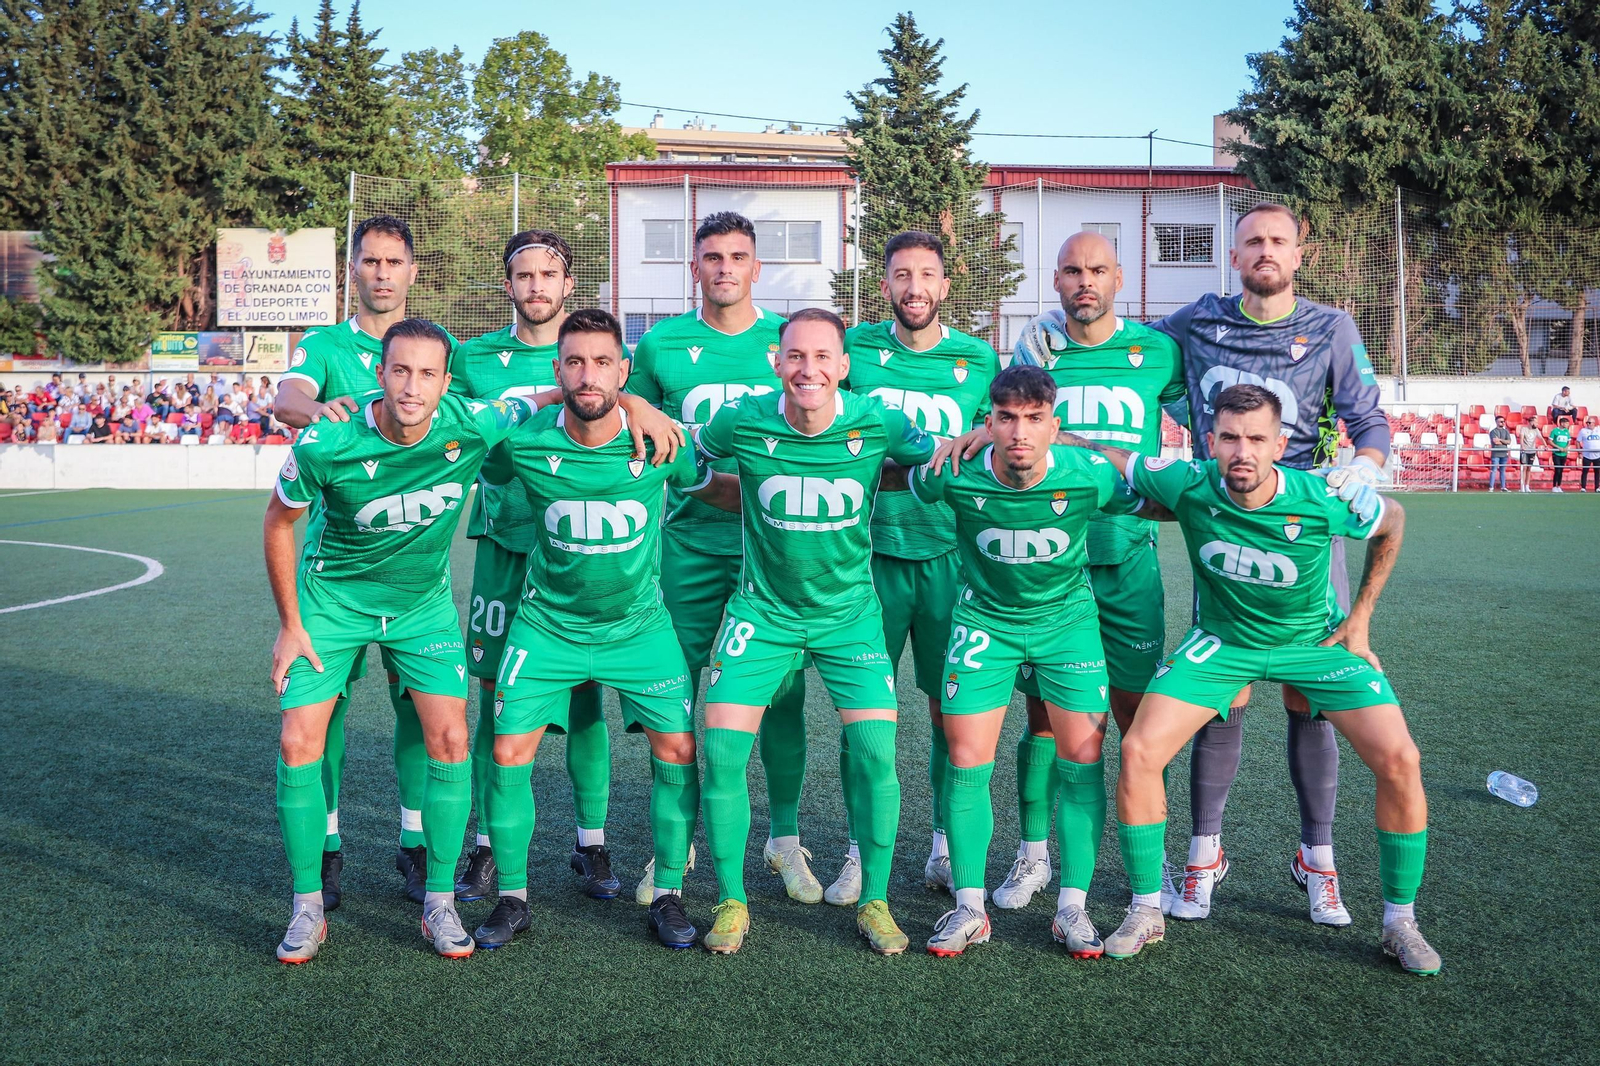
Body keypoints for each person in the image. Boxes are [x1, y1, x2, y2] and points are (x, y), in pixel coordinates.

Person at [1019, 201, 1391, 927]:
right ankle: (1203, 854)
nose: (1265, 251)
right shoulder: (1197, 321)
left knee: (1310, 694)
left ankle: (1317, 856)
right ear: (1234, 252)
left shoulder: (1331, 328)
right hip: (1219, 520)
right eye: (1252, 240)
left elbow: (1368, 419)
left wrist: (1365, 465)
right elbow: (1118, 337)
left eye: (1278, 241)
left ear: (1298, 253)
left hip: (1303, 528)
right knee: (1223, 692)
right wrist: (1052, 329)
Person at [1080, 384, 1437, 976]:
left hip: (1313, 648)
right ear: (1210, 441)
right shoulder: (1188, 481)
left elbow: (1393, 519)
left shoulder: (1319, 496)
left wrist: (1361, 619)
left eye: (1255, 439)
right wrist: (1018, 431)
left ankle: (1400, 922)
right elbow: (1111, 455)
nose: (1241, 451)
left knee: (1401, 758)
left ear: (1281, 444)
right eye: (1228, 438)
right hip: (1222, 645)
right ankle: (1147, 907)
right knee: (1139, 750)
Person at [264, 317, 537, 963]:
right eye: (400, 370)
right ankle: (307, 906)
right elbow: (279, 524)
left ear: (447, 382)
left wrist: (634, 400)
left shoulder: (473, 422)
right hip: (333, 603)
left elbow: (546, 396)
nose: (412, 387)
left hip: (422, 609)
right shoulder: (327, 440)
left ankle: (438, 902)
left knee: (450, 737)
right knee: (298, 737)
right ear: (379, 373)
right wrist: (290, 623)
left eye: (427, 373)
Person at [473, 309, 739, 951]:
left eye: (601, 363)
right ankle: (512, 896)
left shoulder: (663, 444)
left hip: (639, 629)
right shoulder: (524, 444)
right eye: (573, 362)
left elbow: (717, 491)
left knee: (677, 751)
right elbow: (463, 439)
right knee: (509, 752)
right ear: (556, 370)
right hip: (546, 627)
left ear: (624, 372)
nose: (586, 375)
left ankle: (670, 893)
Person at [449, 229, 682, 905]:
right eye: (523, 276)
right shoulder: (475, 357)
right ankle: (490, 849)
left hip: (591, 559)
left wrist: (634, 404)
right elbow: (467, 429)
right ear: (508, 286)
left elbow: (622, 409)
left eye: (548, 274)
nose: (536, 287)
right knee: (499, 700)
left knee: (588, 704)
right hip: (507, 546)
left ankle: (591, 844)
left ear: (566, 283)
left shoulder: (604, 360)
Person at [695, 307, 936, 956]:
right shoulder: (741, 418)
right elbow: (687, 446)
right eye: (796, 356)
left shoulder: (877, 418)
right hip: (761, 614)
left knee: (876, 754)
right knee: (720, 753)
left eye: (823, 357)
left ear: (844, 366)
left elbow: (935, 455)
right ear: (776, 362)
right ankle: (730, 902)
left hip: (849, 616)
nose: (809, 369)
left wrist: (971, 446)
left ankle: (876, 901)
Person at [965, 230, 1188, 911]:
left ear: (1119, 277)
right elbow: (1005, 421)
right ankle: (1034, 854)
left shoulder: (1156, 352)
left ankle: (1153, 860)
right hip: (1046, 568)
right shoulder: (1036, 349)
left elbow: (1200, 423)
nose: (1084, 281)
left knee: (1133, 721)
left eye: (1096, 269)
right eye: (1070, 270)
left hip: (1123, 561)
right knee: (1041, 718)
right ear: (1055, 280)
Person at [907, 365, 1141, 958]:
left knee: (1083, 759)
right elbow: (897, 473)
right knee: (966, 758)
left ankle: (1072, 909)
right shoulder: (953, 474)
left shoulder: (1089, 476)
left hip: (1068, 626)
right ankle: (969, 908)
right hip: (984, 623)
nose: (1020, 432)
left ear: (1054, 425)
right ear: (988, 421)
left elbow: (1163, 493)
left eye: (1034, 419)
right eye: (1006, 418)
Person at [627, 212, 817, 906]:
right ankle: (672, 850)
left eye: (739, 256)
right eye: (712, 256)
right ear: (695, 268)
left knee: (785, 700)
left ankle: (785, 839)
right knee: (673, 701)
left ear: (757, 267)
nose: (725, 268)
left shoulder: (786, 342)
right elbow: (629, 423)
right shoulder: (664, 345)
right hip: (688, 546)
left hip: (773, 555)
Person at [831, 230, 1000, 906]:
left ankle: (940, 846)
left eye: (926, 275)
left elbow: (992, 443)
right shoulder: (858, 350)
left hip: (950, 557)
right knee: (862, 716)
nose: (915, 289)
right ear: (885, 287)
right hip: (867, 556)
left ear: (945, 286)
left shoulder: (978, 357)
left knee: (945, 711)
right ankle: (854, 851)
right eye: (902, 276)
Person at [1547, 416, 1572, 493]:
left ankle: (1559, 486)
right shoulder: (1554, 431)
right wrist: (1558, 447)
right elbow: (1549, 441)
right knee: (1557, 470)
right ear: (1562, 423)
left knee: (1561, 470)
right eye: (1566, 423)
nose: (1567, 425)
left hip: (1564, 454)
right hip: (1556, 453)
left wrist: (1566, 447)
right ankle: (1554, 486)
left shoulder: (1567, 431)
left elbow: (1569, 441)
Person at [1487, 415, 1512, 491]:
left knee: (1502, 471)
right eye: (1501, 421)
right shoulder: (1493, 432)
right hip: (1496, 454)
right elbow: (1495, 441)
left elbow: (1509, 441)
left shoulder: (1506, 431)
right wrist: (1503, 441)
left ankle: (1503, 487)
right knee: (1494, 470)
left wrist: (1500, 440)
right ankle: (1491, 487)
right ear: (1496, 422)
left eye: (1503, 421)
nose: (1503, 423)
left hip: (1504, 454)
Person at [1578, 416, 1600, 492]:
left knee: (1597, 471)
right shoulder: (1583, 431)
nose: (1588, 424)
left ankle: (1597, 487)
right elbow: (1578, 441)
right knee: (1585, 471)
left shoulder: (1598, 430)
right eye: (1587, 422)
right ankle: (1583, 487)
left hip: (1597, 455)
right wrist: (1579, 452)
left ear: (1594, 423)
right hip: (1587, 455)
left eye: (1590, 422)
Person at [1517, 421, 1541, 492]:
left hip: (1532, 451)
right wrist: (1522, 445)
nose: (1537, 424)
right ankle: (1522, 486)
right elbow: (1521, 438)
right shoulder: (1524, 429)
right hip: (1525, 451)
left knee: (1529, 468)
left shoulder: (1536, 430)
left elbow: (1541, 437)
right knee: (1524, 467)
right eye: (1535, 422)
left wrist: (1545, 445)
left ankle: (1527, 486)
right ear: (1531, 422)